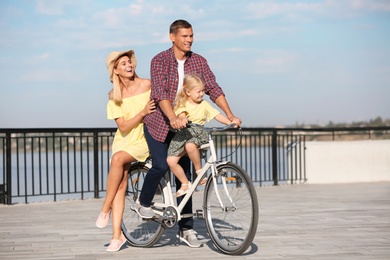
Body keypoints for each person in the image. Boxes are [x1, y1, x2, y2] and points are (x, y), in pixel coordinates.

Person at [136, 19, 242, 248]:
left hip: (184, 128)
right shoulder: (160, 60)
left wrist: (230, 115)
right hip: (159, 123)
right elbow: (161, 92)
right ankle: (142, 202)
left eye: (191, 35)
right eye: (184, 36)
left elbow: (213, 88)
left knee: (186, 179)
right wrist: (172, 117)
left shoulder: (199, 61)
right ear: (172, 37)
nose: (189, 40)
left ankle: (186, 229)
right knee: (162, 165)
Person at [95, 49, 156, 252]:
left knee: (117, 159)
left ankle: (105, 207)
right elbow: (123, 127)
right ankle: (116, 236)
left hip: (143, 137)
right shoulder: (114, 95)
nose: (129, 65)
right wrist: (143, 112)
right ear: (116, 70)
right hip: (124, 138)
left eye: (129, 62)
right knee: (120, 184)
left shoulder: (147, 84)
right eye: (123, 64)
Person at [167, 74, 233, 197]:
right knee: (171, 161)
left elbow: (216, 115)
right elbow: (181, 114)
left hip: (198, 133)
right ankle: (185, 183)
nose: (202, 94)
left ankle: (199, 171)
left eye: (203, 91)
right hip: (184, 134)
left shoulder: (204, 104)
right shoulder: (182, 103)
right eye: (199, 91)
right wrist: (182, 118)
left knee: (190, 146)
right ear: (188, 92)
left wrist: (230, 122)